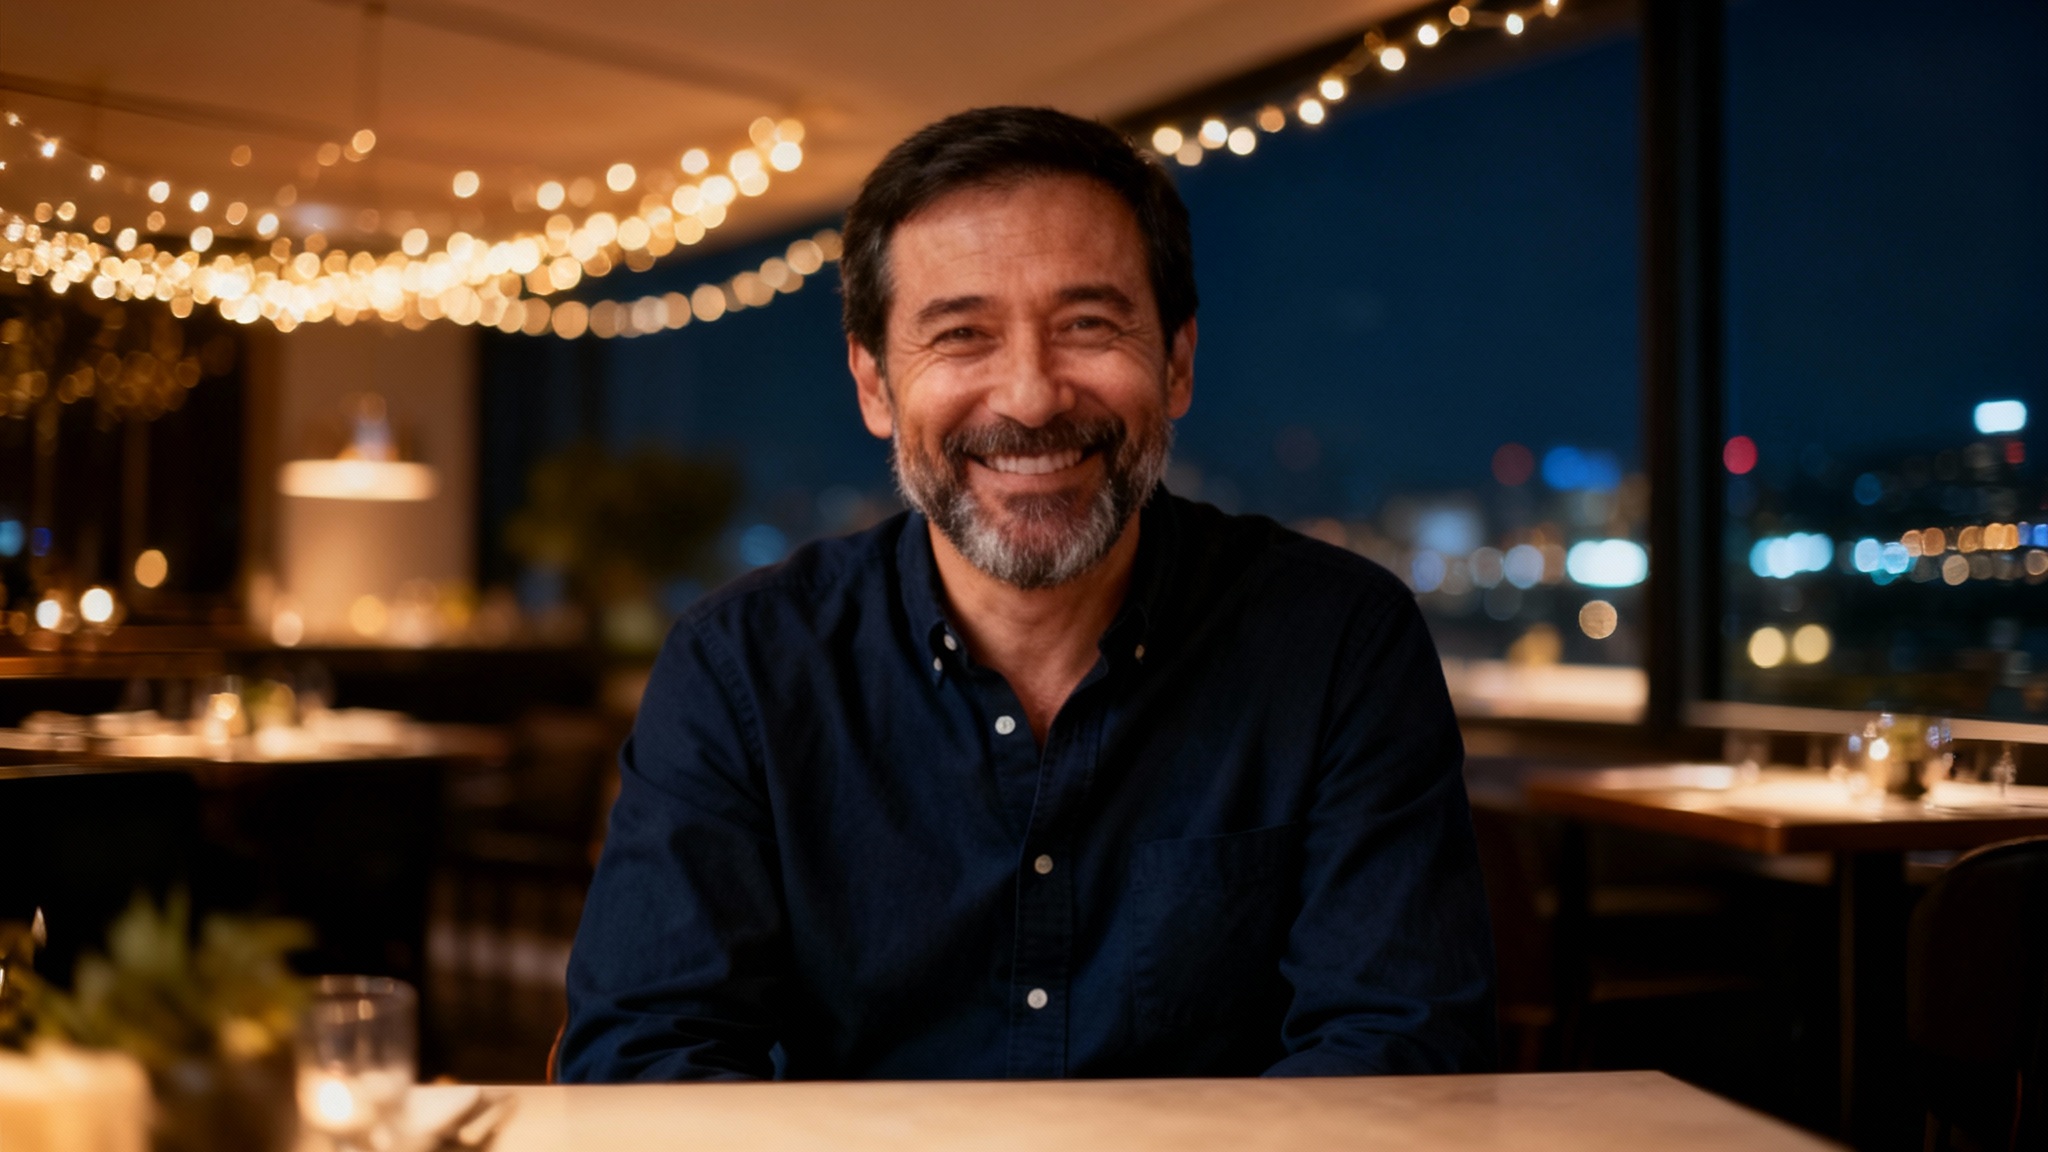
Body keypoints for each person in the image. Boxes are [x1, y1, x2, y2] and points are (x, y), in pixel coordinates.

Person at [560, 106, 1495, 1081]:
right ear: (874, 386)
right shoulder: (741, 668)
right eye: (960, 335)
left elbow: (1398, 1055)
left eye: (1087, 326)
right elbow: (643, 1060)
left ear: (1174, 362)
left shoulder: (1337, 642)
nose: (1030, 397)